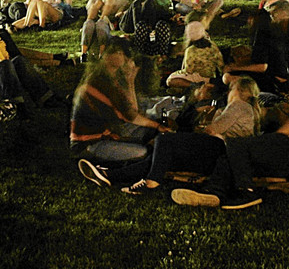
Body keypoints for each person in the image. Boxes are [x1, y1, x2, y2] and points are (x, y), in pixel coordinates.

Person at [80, 77, 263, 195]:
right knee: (160, 157)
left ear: (239, 91)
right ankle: (109, 175)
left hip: (219, 149)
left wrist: (207, 123)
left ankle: (152, 181)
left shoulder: (240, 105)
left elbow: (212, 130)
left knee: (164, 140)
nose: (229, 93)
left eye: (231, 90)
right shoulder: (247, 110)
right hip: (217, 157)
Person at [171, 72, 289, 210]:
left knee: (237, 144)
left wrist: (258, 142)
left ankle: (247, 191)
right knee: (230, 158)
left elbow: (284, 132)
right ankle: (213, 193)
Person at [69, 39, 169, 162]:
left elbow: (132, 111)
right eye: (119, 53)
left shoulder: (112, 78)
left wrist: (130, 80)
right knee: (143, 151)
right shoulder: (99, 82)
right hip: (89, 144)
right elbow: (131, 115)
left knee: (149, 129)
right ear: (106, 56)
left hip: (108, 133)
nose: (125, 58)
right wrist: (157, 126)